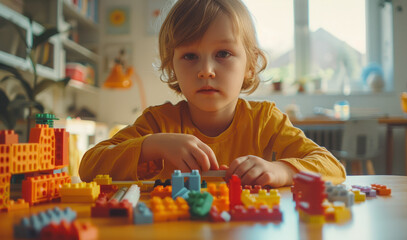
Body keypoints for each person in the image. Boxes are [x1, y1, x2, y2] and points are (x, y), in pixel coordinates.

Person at [79, 0, 346, 187]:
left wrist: (281, 170)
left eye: (223, 54)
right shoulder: (158, 123)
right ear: (172, 66)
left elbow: (332, 167)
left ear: (250, 65)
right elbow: (89, 166)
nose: (206, 70)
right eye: (190, 56)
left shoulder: (265, 119)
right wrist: (154, 145)